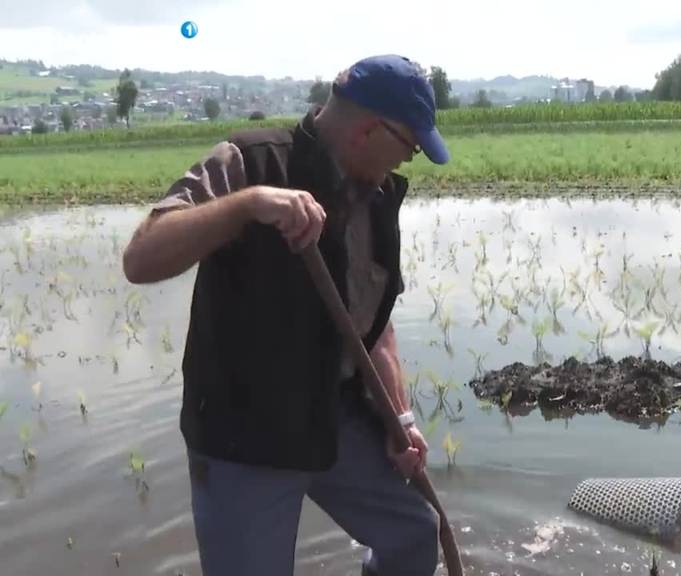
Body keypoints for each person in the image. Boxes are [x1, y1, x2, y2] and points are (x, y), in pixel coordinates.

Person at [121, 54, 450, 576]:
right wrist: (246, 205)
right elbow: (140, 259)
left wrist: (398, 417)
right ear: (369, 129)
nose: (408, 160)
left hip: (333, 417)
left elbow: (372, 322)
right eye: (409, 146)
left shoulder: (378, 195)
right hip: (245, 435)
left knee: (413, 534)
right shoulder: (249, 162)